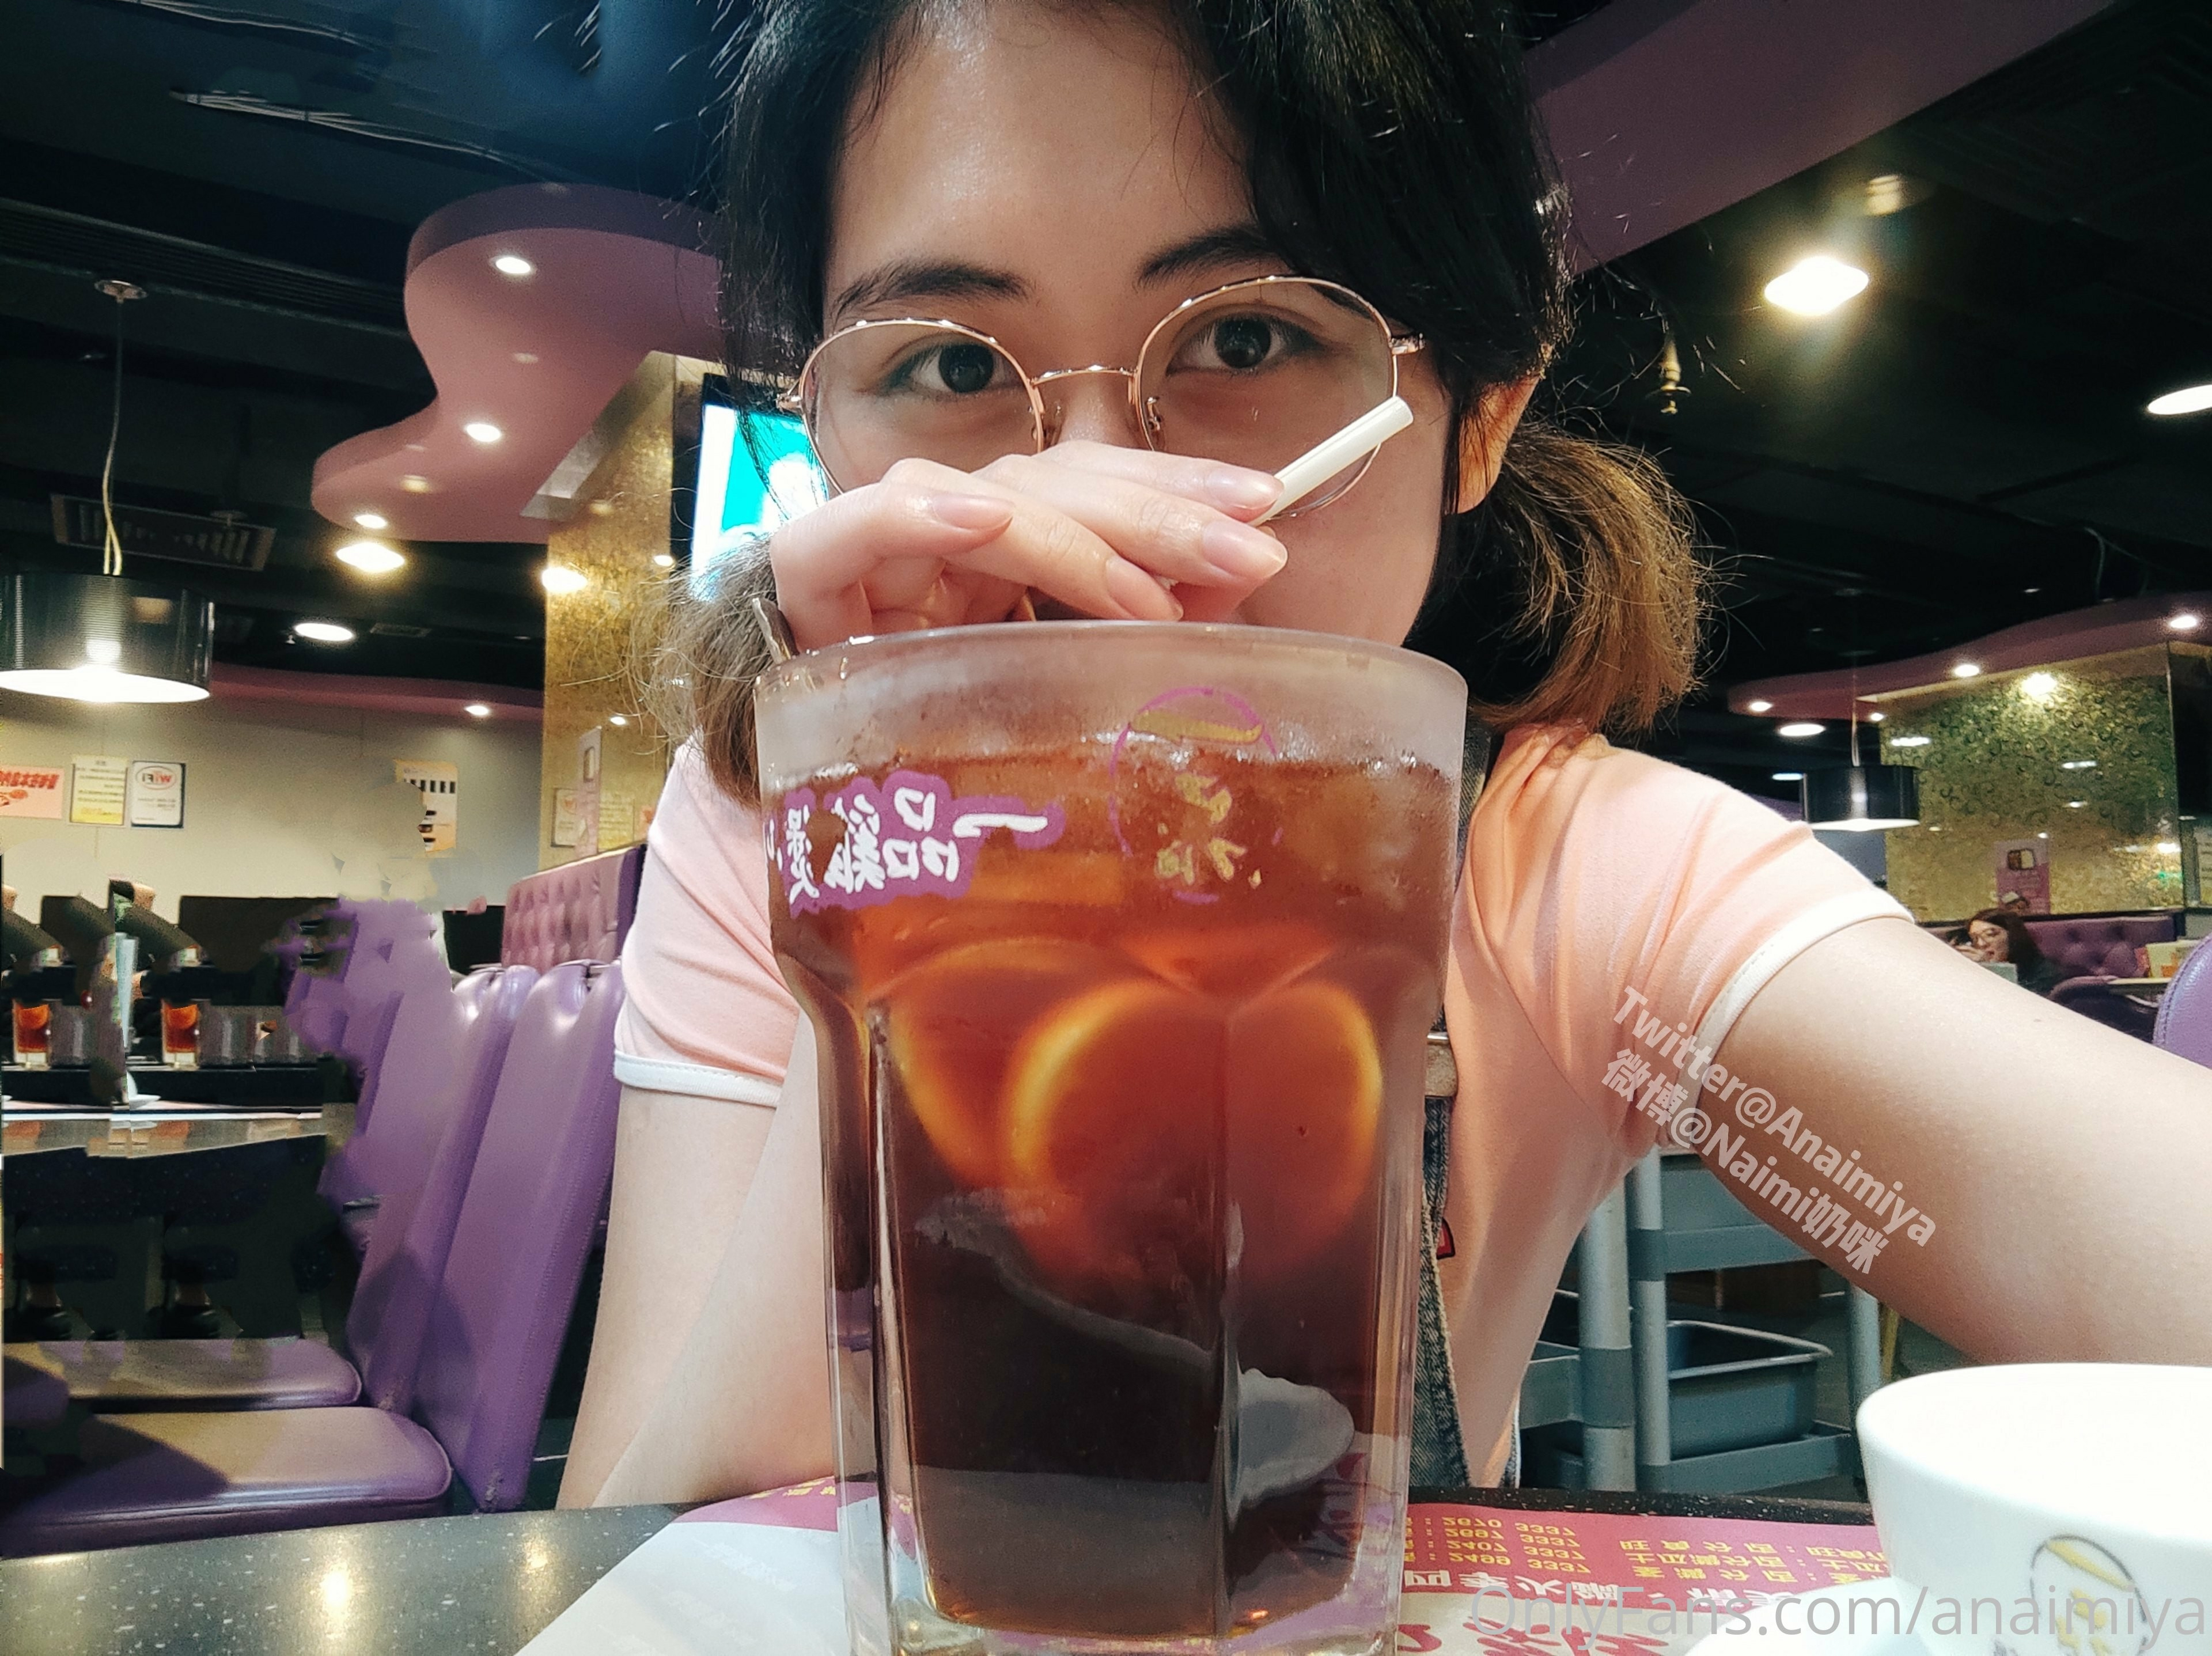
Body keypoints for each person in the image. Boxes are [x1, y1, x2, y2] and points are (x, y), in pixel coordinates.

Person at [558, 0, 2212, 1509]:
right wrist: (894, 844)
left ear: (1478, 411)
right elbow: (630, 1537)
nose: (1092, 510)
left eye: (1247, 340)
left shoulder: (1574, 868)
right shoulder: (763, 817)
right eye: (948, 365)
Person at [1965, 907, 2072, 996]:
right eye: (1974, 938)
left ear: (2013, 936)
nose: (1981, 944)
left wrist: (1991, 969)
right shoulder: (1974, 971)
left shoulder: (2044, 972)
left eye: (1990, 935)